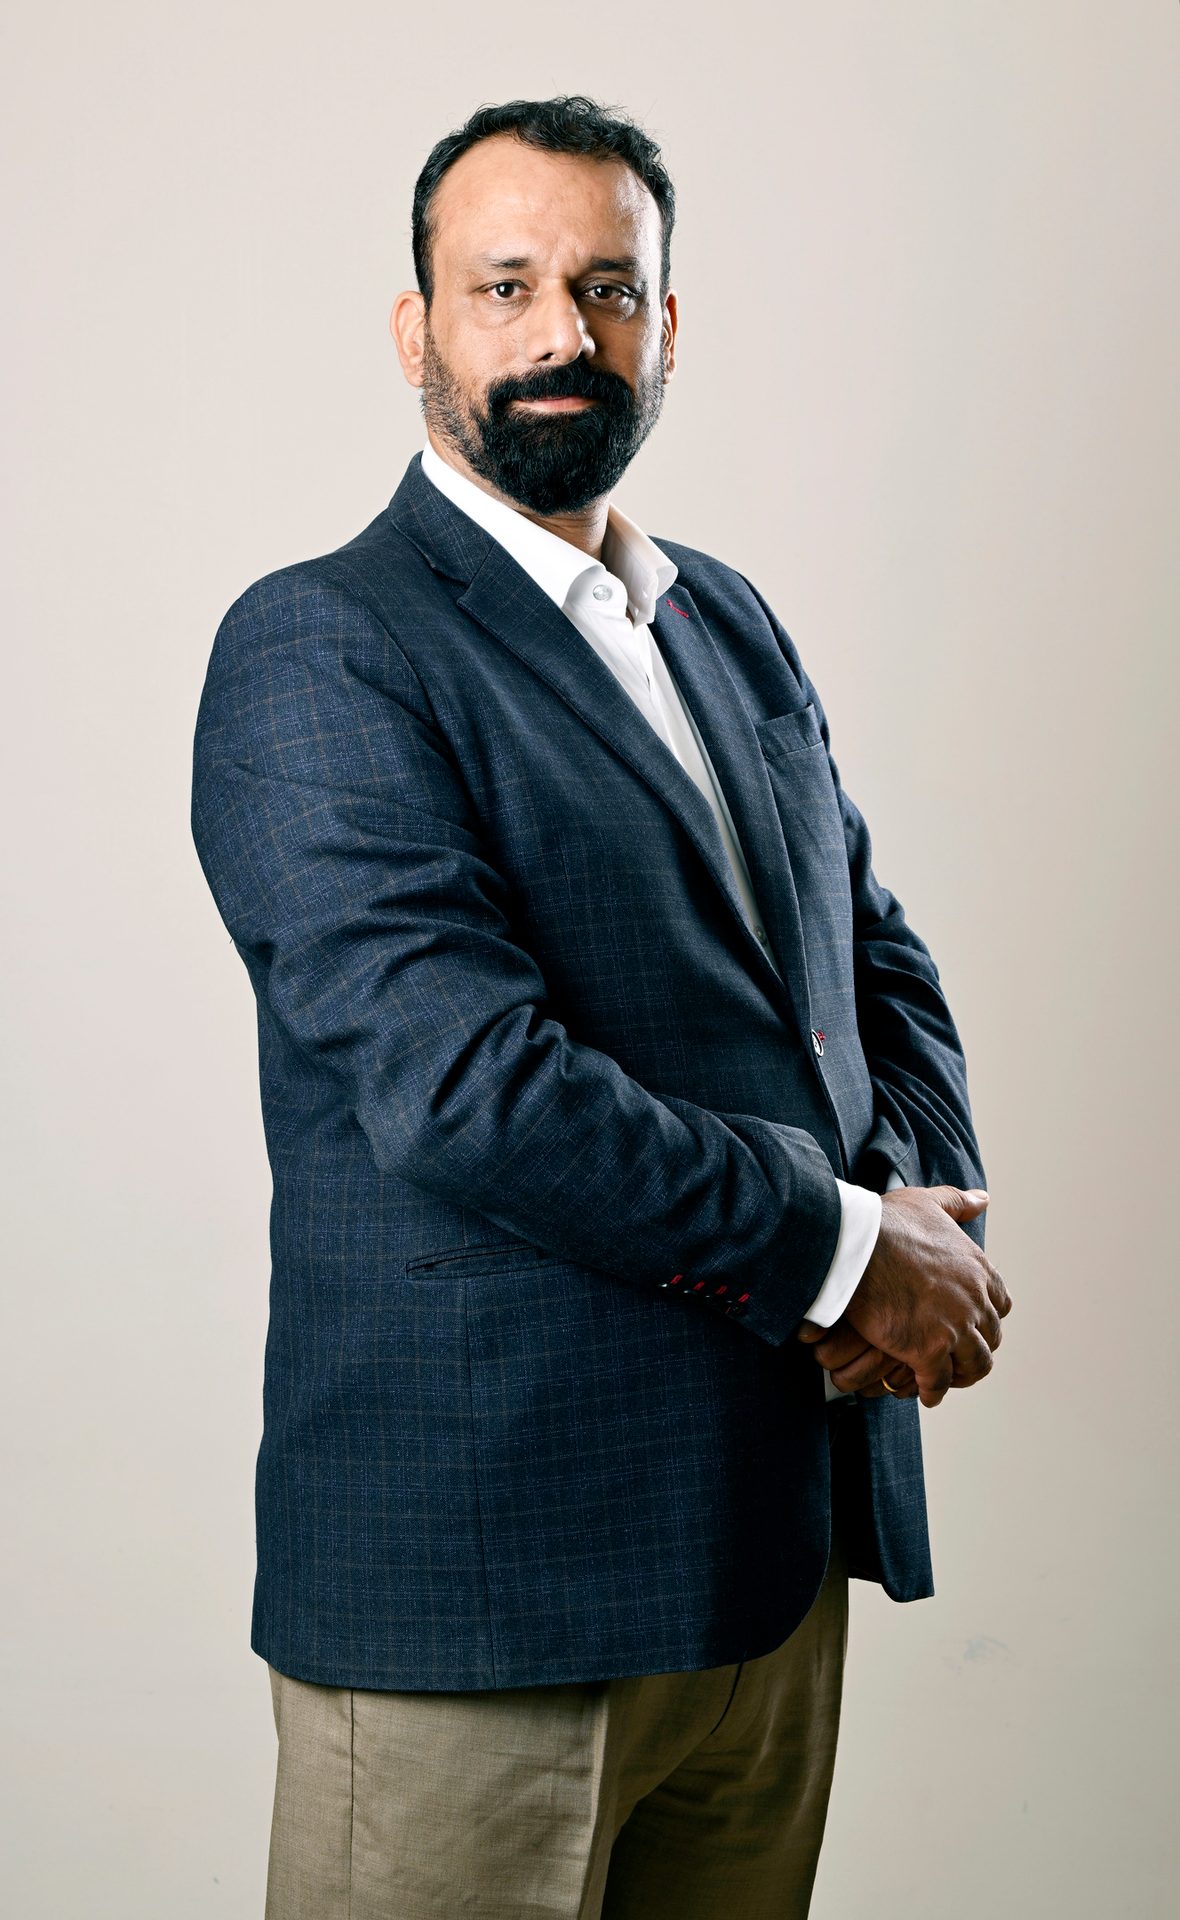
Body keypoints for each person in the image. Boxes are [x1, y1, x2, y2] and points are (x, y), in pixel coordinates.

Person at [190, 93, 1011, 1920]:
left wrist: (920, 1213)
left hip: (765, 1573)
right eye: (505, 285)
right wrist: (846, 1253)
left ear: (664, 324)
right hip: (487, 1608)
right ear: (418, 333)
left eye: (609, 286)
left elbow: (865, 959)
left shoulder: (725, 619)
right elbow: (468, 1088)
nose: (564, 330)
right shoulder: (321, 647)